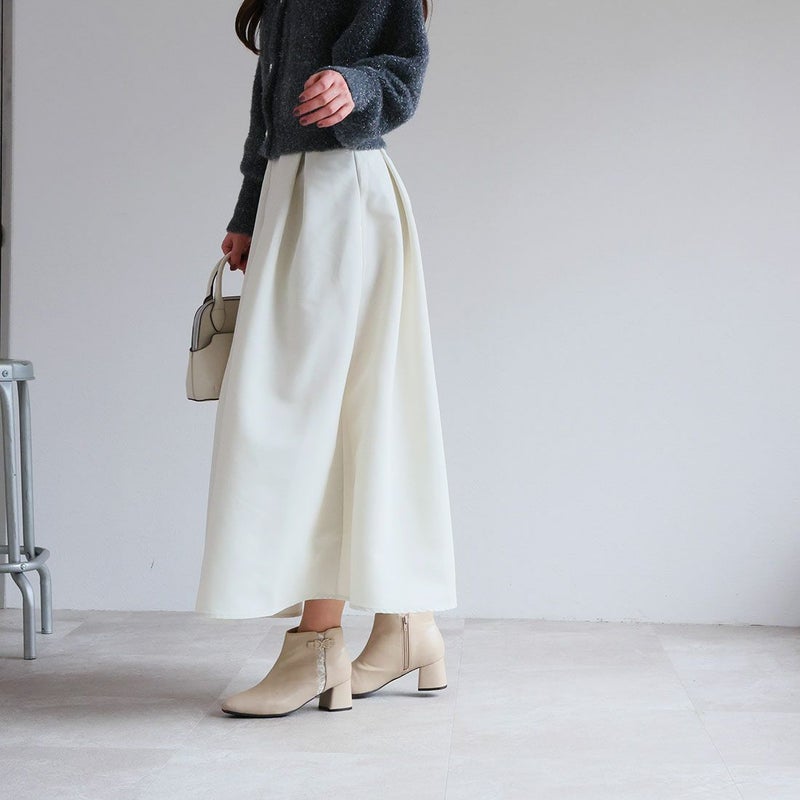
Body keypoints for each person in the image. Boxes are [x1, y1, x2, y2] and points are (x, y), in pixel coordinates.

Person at [194, 0, 457, 718]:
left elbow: (403, 70)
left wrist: (356, 84)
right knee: (351, 413)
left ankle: (318, 647)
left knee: (315, 422)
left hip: (343, 196)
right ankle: (406, 626)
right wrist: (249, 210)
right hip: (296, 198)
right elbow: (266, 112)